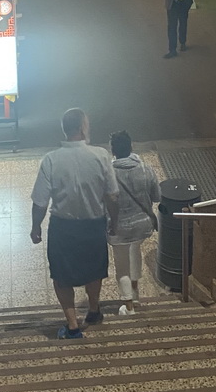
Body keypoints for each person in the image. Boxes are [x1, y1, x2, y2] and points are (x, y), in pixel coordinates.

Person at [31, 109, 120, 339]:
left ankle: (72, 325)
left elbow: (40, 201)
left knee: (62, 277)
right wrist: (114, 221)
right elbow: (112, 195)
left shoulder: (51, 159)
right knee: (94, 271)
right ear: (82, 127)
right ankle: (93, 310)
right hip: (93, 225)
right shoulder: (100, 156)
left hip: (63, 227)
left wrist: (35, 227)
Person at [108, 131, 160, 315]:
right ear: (131, 147)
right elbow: (156, 196)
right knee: (135, 252)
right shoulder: (146, 169)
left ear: (112, 150)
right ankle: (136, 294)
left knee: (121, 265)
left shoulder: (108, 173)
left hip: (118, 227)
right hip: (142, 225)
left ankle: (129, 306)